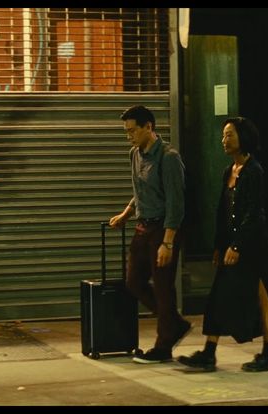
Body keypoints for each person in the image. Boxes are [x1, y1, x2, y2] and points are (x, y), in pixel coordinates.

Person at [177, 116, 268, 372]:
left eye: (229, 135)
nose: (224, 140)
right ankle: (208, 353)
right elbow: (223, 211)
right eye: (223, 135)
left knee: (262, 297)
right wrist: (219, 245)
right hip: (231, 246)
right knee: (217, 298)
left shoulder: (254, 171)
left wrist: (237, 246)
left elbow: (253, 214)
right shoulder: (228, 171)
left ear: (243, 138)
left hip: (252, 248)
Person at [109, 105, 192, 364]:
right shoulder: (135, 154)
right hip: (142, 226)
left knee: (164, 287)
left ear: (149, 127)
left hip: (163, 229)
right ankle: (174, 323)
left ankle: (163, 346)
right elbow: (141, 190)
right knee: (133, 282)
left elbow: (176, 203)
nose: (129, 135)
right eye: (126, 131)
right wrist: (126, 213)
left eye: (133, 130)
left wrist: (168, 242)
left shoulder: (168, 157)